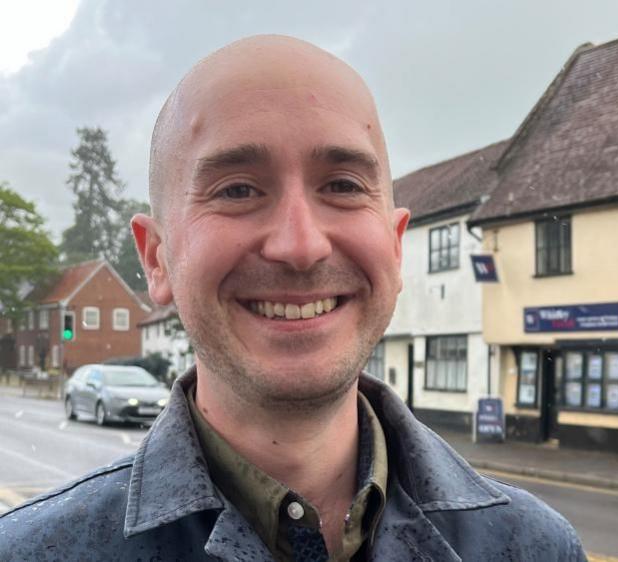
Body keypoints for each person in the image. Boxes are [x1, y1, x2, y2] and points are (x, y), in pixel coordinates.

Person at [0, 35, 585, 561]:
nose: (300, 246)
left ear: (396, 244)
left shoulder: (535, 547)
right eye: (237, 189)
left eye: (342, 186)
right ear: (157, 258)